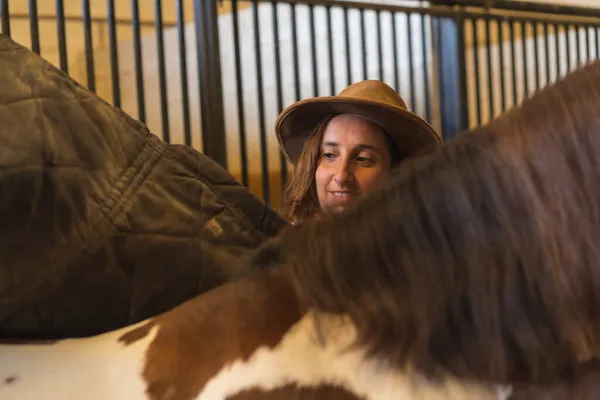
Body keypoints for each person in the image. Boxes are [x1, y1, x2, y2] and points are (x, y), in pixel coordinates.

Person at [274, 80, 442, 224]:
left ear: (396, 171)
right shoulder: (288, 249)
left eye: (363, 159)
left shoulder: (415, 254)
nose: (342, 175)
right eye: (329, 155)